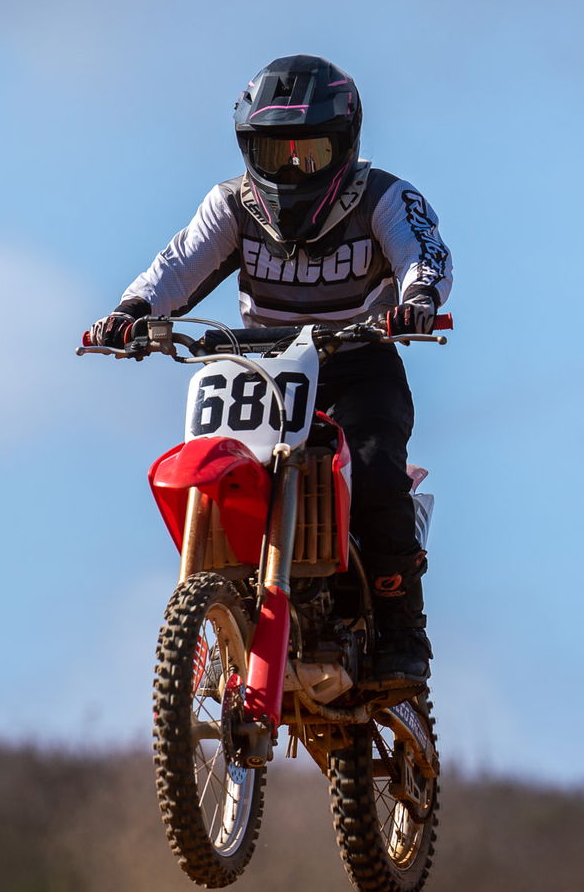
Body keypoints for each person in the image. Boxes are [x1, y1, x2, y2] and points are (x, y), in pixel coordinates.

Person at [89, 54, 453, 685]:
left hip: (359, 367)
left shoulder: (385, 197)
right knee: (216, 471)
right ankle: (220, 615)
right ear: (247, 148)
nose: (290, 169)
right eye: (273, 153)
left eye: (308, 154)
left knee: (373, 472)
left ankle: (402, 631)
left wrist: (418, 298)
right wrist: (131, 312)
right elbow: (176, 267)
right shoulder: (232, 204)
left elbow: (423, 253)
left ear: (344, 145)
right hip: (260, 372)